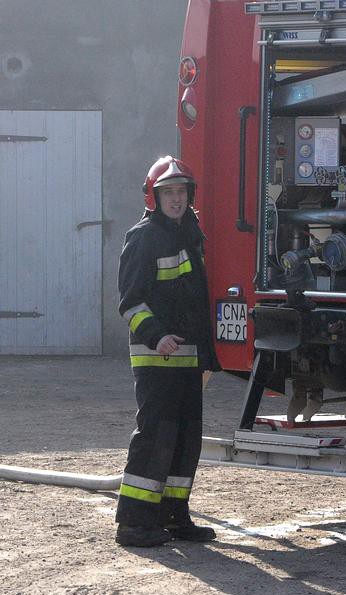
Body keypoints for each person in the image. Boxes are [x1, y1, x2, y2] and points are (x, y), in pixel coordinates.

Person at [115, 156, 220, 547]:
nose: (176, 199)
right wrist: (157, 336)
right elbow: (130, 302)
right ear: (153, 197)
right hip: (157, 356)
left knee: (185, 439)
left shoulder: (190, 235)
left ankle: (174, 516)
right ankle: (134, 522)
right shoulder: (143, 237)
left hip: (189, 358)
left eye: (181, 192)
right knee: (155, 437)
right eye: (168, 192)